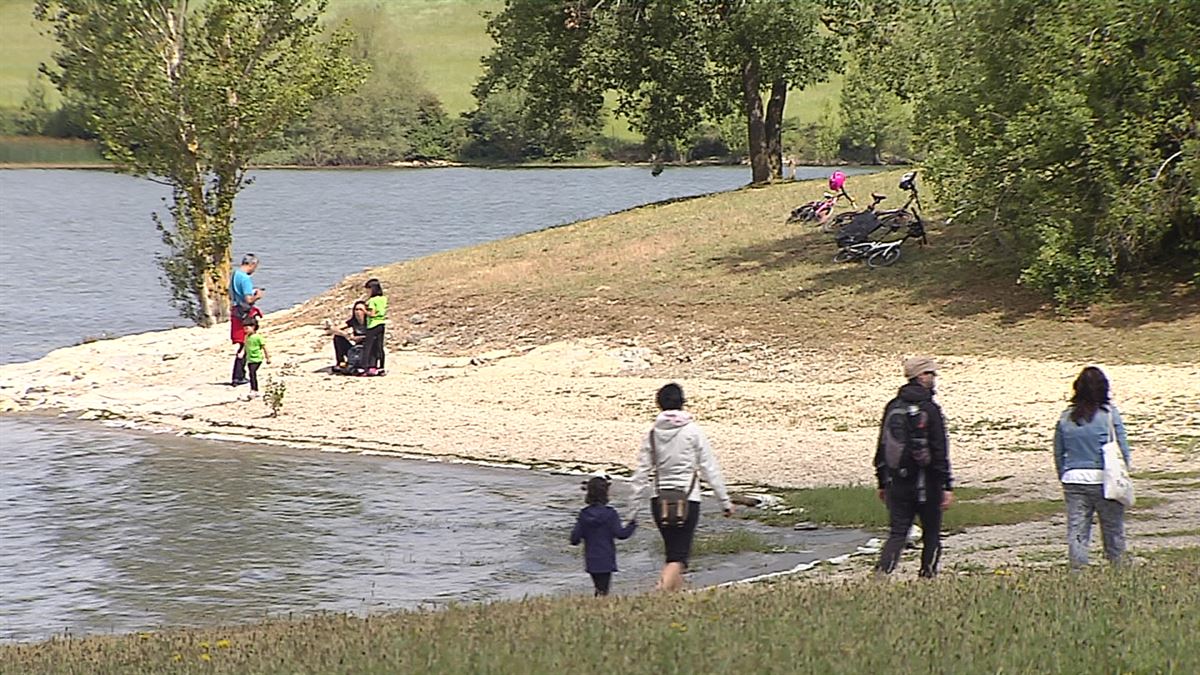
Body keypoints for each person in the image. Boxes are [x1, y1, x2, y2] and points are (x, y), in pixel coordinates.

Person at [629, 383, 733, 592]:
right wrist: (724, 501)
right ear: (682, 402)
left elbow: (641, 474)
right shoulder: (693, 431)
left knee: (672, 554)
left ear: (659, 404)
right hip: (689, 499)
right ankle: (658, 593)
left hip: (658, 501)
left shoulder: (652, 433)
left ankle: (673, 600)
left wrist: (632, 512)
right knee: (679, 557)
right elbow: (709, 467)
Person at [874, 356, 955, 578]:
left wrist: (882, 481)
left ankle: (881, 574)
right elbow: (940, 450)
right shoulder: (930, 408)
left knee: (898, 532)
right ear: (920, 376)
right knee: (931, 533)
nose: (934, 378)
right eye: (930, 373)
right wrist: (946, 485)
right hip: (927, 482)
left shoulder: (893, 406)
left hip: (896, 482)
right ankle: (927, 576)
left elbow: (881, 446)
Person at [1054, 366, 1131, 569]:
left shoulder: (1066, 416)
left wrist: (1064, 474)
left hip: (1074, 478)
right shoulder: (1108, 414)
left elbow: (1058, 451)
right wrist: (1124, 473)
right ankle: (1118, 567)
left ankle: (1078, 570)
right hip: (1104, 478)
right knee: (1113, 528)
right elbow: (1122, 447)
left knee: (1077, 529)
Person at [570, 475, 637, 597]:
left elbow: (574, 539)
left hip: (591, 559)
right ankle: (601, 608)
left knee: (598, 588)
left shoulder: (584, 514)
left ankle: (596, 606)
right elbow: (621, 534)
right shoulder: (610, 513)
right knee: (604, 589)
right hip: (606, 557)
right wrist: (632, 524)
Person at [229, 253, 264, 386]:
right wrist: (257, 296)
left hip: (236, 310)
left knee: (243, 343)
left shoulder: (235, 274)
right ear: (252, 264)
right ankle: (238, 376)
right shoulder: (245, 279)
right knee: (246, 343)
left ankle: (238, 375)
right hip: (243, 313)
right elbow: (248, 299)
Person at [329, 301, 369, 371]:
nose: (358, 312)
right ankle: (340, 362)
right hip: (355, 350)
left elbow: (373, 336)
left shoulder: (369, 322)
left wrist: (361, 338)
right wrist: (346, 335)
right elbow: (334, 329)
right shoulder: (353, 321)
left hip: (367, 349)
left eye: (361, 309)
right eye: (356, 309)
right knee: (337, 338)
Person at [360, 278, 387, 375]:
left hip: (373, 324)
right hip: (381, 323)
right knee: (379, 347)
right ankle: (381, 367)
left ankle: (365, 368)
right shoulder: (383, 299)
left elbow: (372, 314)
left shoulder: (372, 301)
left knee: (368, 346)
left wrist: (364, 310)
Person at [240, 319, 269, 398]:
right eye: (244, 329)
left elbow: (264, 347)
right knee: (251, 373)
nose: (245, 330)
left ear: (253, 327)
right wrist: (242, 353)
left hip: (257, 358)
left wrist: (267, 358)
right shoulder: (246, 337)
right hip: (249, 359)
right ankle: (254, 390)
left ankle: (254, 390)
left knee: (252, 373)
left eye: (247, 328)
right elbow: (245, 346)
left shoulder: (258, 337)